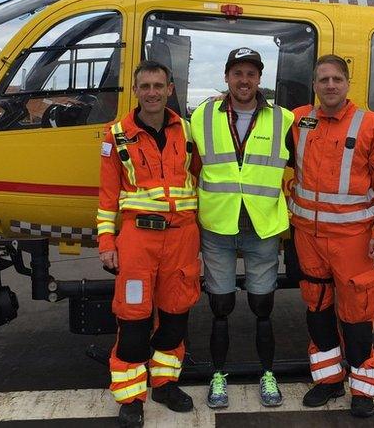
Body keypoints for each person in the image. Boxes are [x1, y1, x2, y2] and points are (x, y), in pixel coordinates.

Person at [291, 54, 374, 418]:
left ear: (348, 83)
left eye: (337, 79)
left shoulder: (370, 124)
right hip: (308, 236)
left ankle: (364, 387)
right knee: (317, 310)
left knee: (357, 314)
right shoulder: (299, 119)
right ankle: (327, 380)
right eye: (323, 79)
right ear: (315, 84)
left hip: (354, 239)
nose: (330, 85)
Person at [97, 61, 201, 428]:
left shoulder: (188, 132)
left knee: (176, 318)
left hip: (182, 239)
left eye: (159, 85)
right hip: (138, 240)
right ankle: (130, 397)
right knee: (133, 321)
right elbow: (108, 197)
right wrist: (107, 242)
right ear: (136, 90)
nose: (153, 92)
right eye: (146, 86)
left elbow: (201, 181)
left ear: (170, 89)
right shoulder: (116, 136)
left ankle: (165, 384)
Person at [190, 47, 294, 409]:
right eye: (238, 73)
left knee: (262, 305)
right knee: (220, 305)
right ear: (226, 77)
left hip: (262, 225)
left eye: (251, 73)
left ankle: (268, 374)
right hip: (218, 224)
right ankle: (219, 377)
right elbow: (189, 164)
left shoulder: (285, 119)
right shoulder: (202, 114)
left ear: (260, 79)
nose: (244, 80)